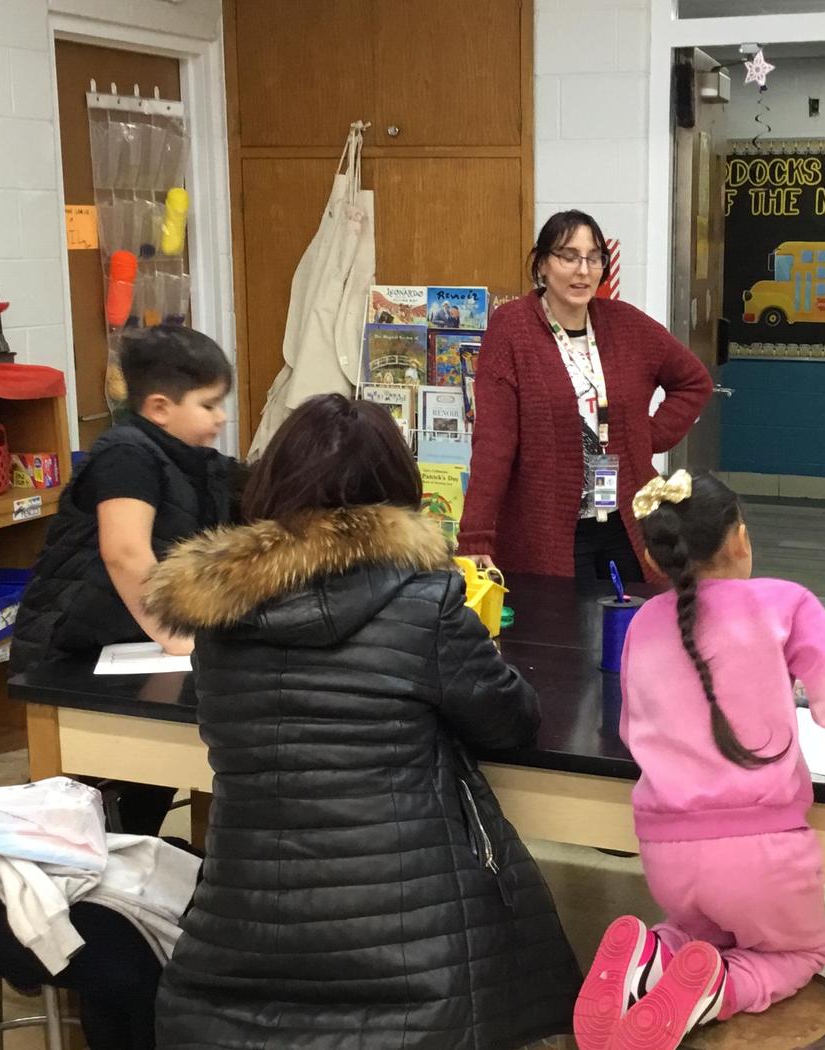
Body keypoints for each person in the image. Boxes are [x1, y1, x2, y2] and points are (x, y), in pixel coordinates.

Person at [143, 394, 581, 1050]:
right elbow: (510, 721)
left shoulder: (217, 615)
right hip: (417, 974)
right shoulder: (423, 603)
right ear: (396, 490)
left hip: (242, 954)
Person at [573, 471, 825, 1050]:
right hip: (765, 854)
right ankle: (718, 990)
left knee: (696, 933)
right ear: (739, 540)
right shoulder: (785, 602)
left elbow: (635, 731)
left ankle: (652, 954)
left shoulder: (643, 624)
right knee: (796, 953)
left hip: (666, 854)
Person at [11, 325, 236, 834]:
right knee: (90, 810)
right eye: (209, 405)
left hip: (129, 642)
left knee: (146, 789)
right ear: (159, 407)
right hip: (75, 646)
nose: (221, 418)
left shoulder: (191, 461)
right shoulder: (126, 455)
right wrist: (177, 635)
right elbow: (125, 552)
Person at [460, 210, 713, 582]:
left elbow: (694, 381)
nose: (582, 270)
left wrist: (646, 438)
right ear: (542, 264)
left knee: (634, 625)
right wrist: (475, 535)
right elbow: (494, 442)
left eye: (593, 257)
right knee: (560, 632)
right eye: (568, 256)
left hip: (625, 517)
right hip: (548, 526)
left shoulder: (625, 324)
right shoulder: (512, 328)